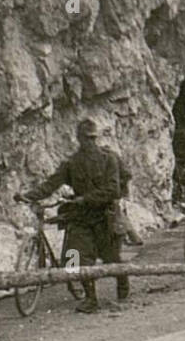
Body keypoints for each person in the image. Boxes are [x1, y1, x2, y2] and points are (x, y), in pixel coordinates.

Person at [18, 118, 126, 314]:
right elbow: (51, 185)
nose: (90, 142)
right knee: (75, 257)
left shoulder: (109, 159)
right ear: (79, 139)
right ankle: (90, 298)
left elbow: (113, 189)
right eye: (86, 139)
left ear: (97, 138)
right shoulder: (72, 163)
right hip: (82, 218)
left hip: (105, 216)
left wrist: (85, 199)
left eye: (93, 138)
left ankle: (123, 281)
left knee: (111, 257)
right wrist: (28, 196)